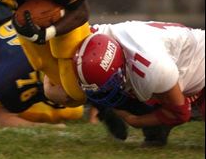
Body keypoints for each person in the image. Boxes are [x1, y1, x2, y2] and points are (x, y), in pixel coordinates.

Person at [72, 21, 205, 144]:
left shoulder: (152, 69)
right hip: (177, 62)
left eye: (109, 84)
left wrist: (135, 121)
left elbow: (180, 113)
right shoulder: (99, 35)